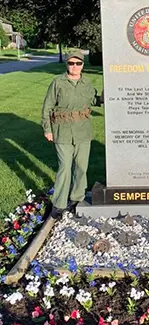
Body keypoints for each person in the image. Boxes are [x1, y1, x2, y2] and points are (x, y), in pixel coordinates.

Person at [41, 50, 103, 219]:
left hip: (83, 131)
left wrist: (105, 97)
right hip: (62, 131)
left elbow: (93, 100)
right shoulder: (58, 82)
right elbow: (47, 107)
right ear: (67, 64)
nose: (75, 67)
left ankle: (77, 198)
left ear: (82, 64)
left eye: (78, 63)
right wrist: (47, 129)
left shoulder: (86, 83)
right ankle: (59, 204)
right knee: (65, 168)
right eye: (71, 63)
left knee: (82, 168)